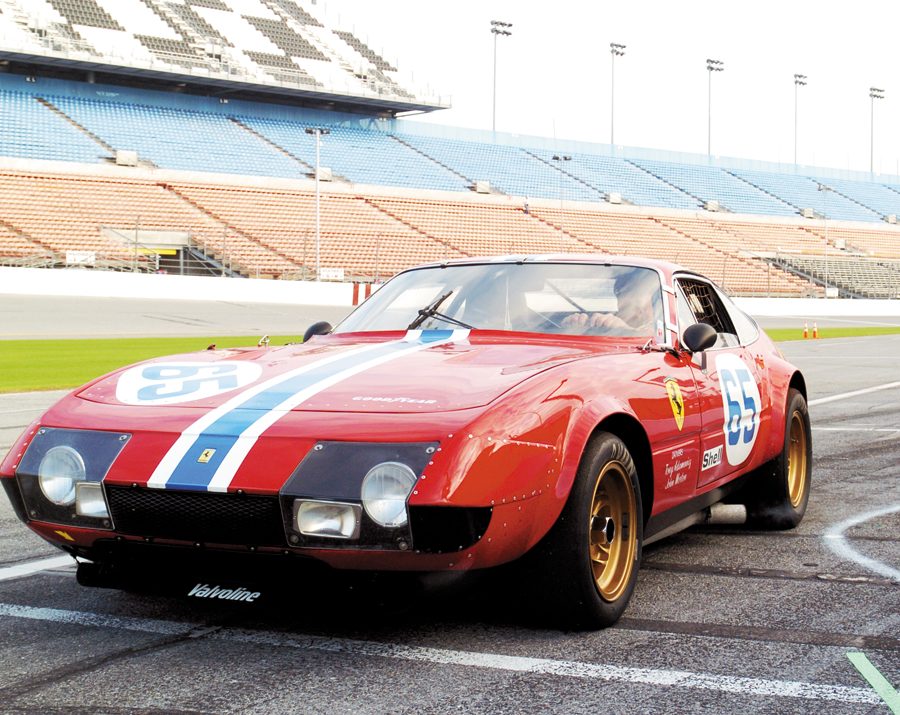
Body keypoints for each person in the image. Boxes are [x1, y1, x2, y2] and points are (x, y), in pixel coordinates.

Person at [562, 268, 662, 337]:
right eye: (621, 292)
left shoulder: (663, 328)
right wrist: (572, 325)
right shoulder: (602, 323)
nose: (630, 300)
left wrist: (624, 329)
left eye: (640, 292)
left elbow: (656, 343)